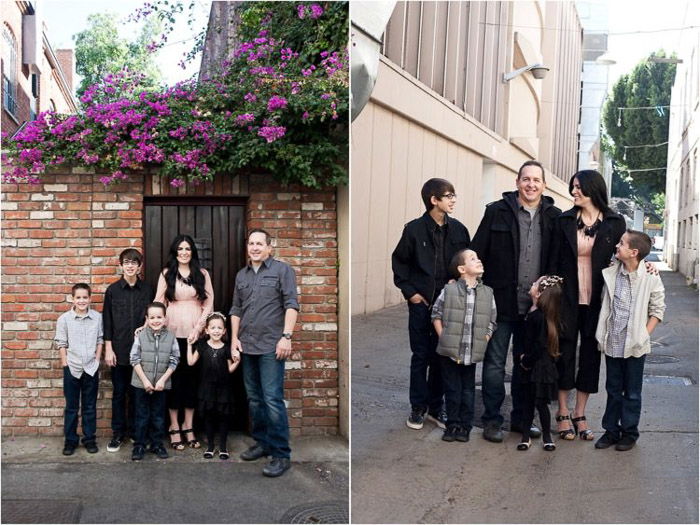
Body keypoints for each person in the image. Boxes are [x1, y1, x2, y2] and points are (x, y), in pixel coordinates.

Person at [470, 160, 561, 443]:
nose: (531, 184)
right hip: (502, 303)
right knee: (495, 363)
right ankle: (492, 420)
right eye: (526, 179)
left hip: (536, 308)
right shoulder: (496, 212)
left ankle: (522, 420)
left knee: (527, 365)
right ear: (517, 182)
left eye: (536, 180)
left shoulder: (554, 216)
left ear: (544, 185)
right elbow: (477, 252)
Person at [547, 170, 626, 441]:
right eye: (573, 187)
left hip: (598, 301)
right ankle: (562, 412)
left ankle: (580, 414)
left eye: (579, 187)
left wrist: (645, 264)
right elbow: (553, 261)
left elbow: (625, 257)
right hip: (567, 299)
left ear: (594, 189)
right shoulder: (564, 220)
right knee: (564, 352)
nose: (574, 192)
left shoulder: (615, 222)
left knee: (591, 356)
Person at [392, 178, 471, 431]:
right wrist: (411, 293)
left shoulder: (459, 230)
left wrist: (458, 285)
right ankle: (418, 407)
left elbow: (466, 262)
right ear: (433, 200)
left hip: (449, 305)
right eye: (448, 196)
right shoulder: (414, 230)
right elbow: (400, 262)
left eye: (454, 195)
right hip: (421, 304)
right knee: (421, 356)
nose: (453, 200)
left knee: (442, 356)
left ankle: (436, 408)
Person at [230, 229, 299, 478]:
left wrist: (286, 337)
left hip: (272, 346)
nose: (255, 247)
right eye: (251, 243)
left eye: (260, 243)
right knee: (255, 399)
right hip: (247, 345)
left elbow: (291, 304)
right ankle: (263, 443)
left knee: (272, 399)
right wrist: (233, 340)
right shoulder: (242, 275)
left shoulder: (282, 271)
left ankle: (281, 454)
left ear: (270, 247)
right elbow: (236, 309)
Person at [594, 230, 665, 451]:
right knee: (613, 389)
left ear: (634, 252)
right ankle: (611, 431)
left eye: (622, 243)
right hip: (613, 341)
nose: (617, 245)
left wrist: (644, 334)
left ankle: (629, 433)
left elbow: (658, 309)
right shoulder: (611, 272)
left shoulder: (650, 277)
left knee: (632, 392)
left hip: (635, 345)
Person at [155, 234, 214, 450]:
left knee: (192, 383)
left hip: (194, 337)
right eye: (180, 248)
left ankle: (188, 426)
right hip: (171, 335)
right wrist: (148, 325)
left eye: (188, 248)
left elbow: (208, 304)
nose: (184, 252)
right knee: (173, 382)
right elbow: (158, 302)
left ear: (192, 252)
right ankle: (174, 427)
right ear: (175, 251)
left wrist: (198, 329)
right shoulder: (166, 274)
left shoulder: (202, 274)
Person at [431, 249, 496, 443]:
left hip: (472, 351)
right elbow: (436, 314)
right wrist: (443, 337)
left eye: (478, 257)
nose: (479, 260)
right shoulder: (449, 290)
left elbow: (492, 320)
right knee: (452, 389)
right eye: (472, 259)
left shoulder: (487, 293)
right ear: (461, 269)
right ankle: (452, 425)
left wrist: (485, 337)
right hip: (450, 351)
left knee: (468, 390)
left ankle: (465, 426)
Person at [103, 248, 154, 452]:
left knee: (137, 395)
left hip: (142, 352)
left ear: (140, 266)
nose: (130, 265)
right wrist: (108, 348)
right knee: (119, 393)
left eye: (134, 262)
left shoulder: (147, 290)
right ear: (121, 265)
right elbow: (107, 320)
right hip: (119, 350)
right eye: (127, 262)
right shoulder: (112, 290)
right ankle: (118, 434)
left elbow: (153, 318)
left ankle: (135, 433)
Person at [55, 283, 103, 456]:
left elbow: (100, 339)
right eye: (78, 297)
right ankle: (70, 441)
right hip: (72, 367)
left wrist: (97, 360)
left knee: (90, 406)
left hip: (91, 368)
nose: (82, 300)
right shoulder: (64, 319)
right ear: (72, 299)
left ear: (90, 299)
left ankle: (89, 439)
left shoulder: (97, 317)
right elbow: (61, 343)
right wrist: (65, 364)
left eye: (85, 297)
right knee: (72, 407)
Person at [516, 275, 563, 452]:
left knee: (541, 404)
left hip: (539, 368)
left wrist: (525, 361)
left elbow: (538, 345)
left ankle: (547, 436)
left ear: (540, 293)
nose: (532, 284)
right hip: (531, 365)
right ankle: (526, 436)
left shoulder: (539, 317)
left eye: (535, 283)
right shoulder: (532, 312)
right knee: (528, 403)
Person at [129, 302, 180, 461]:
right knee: (141, 415)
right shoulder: (141, 336)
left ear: (165, 319)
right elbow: (134, 358)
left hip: (161, 385)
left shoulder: (171, 337)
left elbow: (175, 359)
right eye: (152, 317)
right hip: (141, 383)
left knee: (158, 416)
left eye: (159, 317)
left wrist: (163, 380)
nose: (156, 320)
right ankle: (139, 445)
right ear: (147, 319)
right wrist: (144, 381)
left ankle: (157, 444)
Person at [187, 312, 240, 460]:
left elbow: (229, 369)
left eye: (219, 328)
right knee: (209, 418)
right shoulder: (202, 345)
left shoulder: (227, 348)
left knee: (223, 418)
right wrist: (188, 345)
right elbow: (191, 362)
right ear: (207, 330)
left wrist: (237, 361)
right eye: (213, 327)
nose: (216, 330)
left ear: (224, 331)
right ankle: (210, 446)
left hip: (223, 390)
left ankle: (223, 447)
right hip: (206, 389)